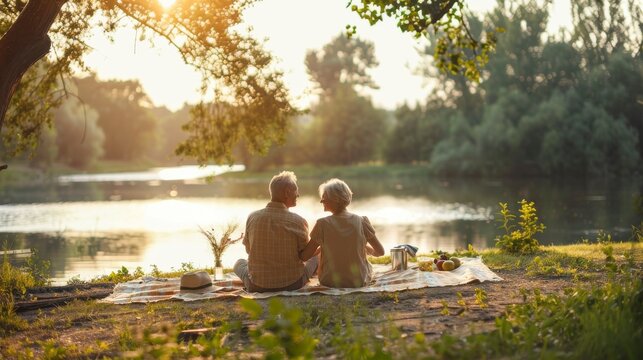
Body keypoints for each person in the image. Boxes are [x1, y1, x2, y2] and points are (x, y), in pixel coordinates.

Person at [233, 171, 318, 292]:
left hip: (256, 285)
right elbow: (304, 257)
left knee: (239, 263)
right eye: (296, 190)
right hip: (293, 284)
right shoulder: (299, 221)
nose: (298, 195)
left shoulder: (253, 217)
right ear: (287, 193)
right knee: (315, 258)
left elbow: (248, 250)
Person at [300, 178, 385, 288]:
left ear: (335, 199)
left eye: (324, 197)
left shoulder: (322, 224)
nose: (321, 201)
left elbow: (305, 256)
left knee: (320, 255)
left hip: (329, 282)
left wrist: (320, 248)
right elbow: (380, 252)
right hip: (358, 281)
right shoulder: (362, 221)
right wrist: (365, 247)